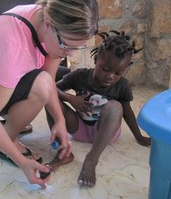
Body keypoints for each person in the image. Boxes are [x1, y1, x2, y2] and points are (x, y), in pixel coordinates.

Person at [0, 0, 99, 188]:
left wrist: (59, 120)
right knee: (39, 84)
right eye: (68, 46)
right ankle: (8, 141)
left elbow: (49, 83)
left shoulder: (47, 17)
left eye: (77, 47)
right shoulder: (12, 43)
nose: (72, 54)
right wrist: (22, 162)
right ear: (49, 24)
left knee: (50, 79)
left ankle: (13, 120)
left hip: (5, 76)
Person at [46, 30, 151, 187]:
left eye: (118, 73)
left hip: (105, 133)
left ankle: (91, 159)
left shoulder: (122, 86)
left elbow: (127, 112)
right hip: (79, 128)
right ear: (96, 60)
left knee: (116, 106)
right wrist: (71, 99)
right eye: (105, 69)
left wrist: (138, 135)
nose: (111, 76)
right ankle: (62, 152)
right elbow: (51, 88)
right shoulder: (79, 76)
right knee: (49, 98)